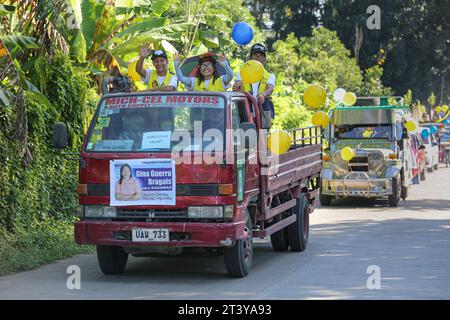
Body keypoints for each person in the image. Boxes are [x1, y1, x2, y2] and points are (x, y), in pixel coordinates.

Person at [233, 43, 276, 118]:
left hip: (262, 110)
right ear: (250, 58)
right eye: (256, 55)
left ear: (265, 60)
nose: (258, 58)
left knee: (263, 128)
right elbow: (237, 85)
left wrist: (263, 94)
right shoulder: (242, 73)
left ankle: (264, 127)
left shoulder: (270, 76)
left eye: (261, 56)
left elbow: (270, 89)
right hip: (246, 110)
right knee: (246, 128)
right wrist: (236, 87)